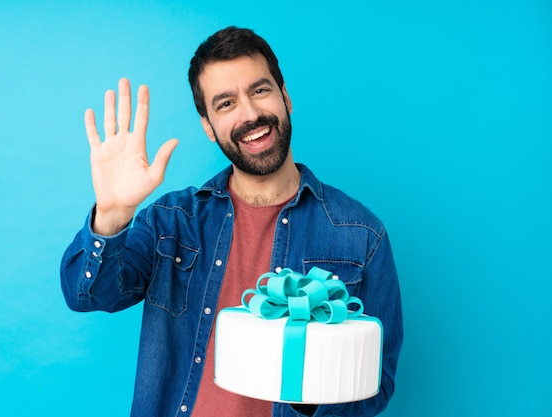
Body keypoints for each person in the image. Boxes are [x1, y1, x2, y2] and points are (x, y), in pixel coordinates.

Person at [61, 26, 403, 417]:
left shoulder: (362, 236)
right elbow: (87, 295)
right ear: (208, 127)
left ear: (285, 96)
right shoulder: (171, 222)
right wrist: (113, 214)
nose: (251, 114)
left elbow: (377, 383)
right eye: (225, 104)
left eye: (260, 91)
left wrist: (307, 392)